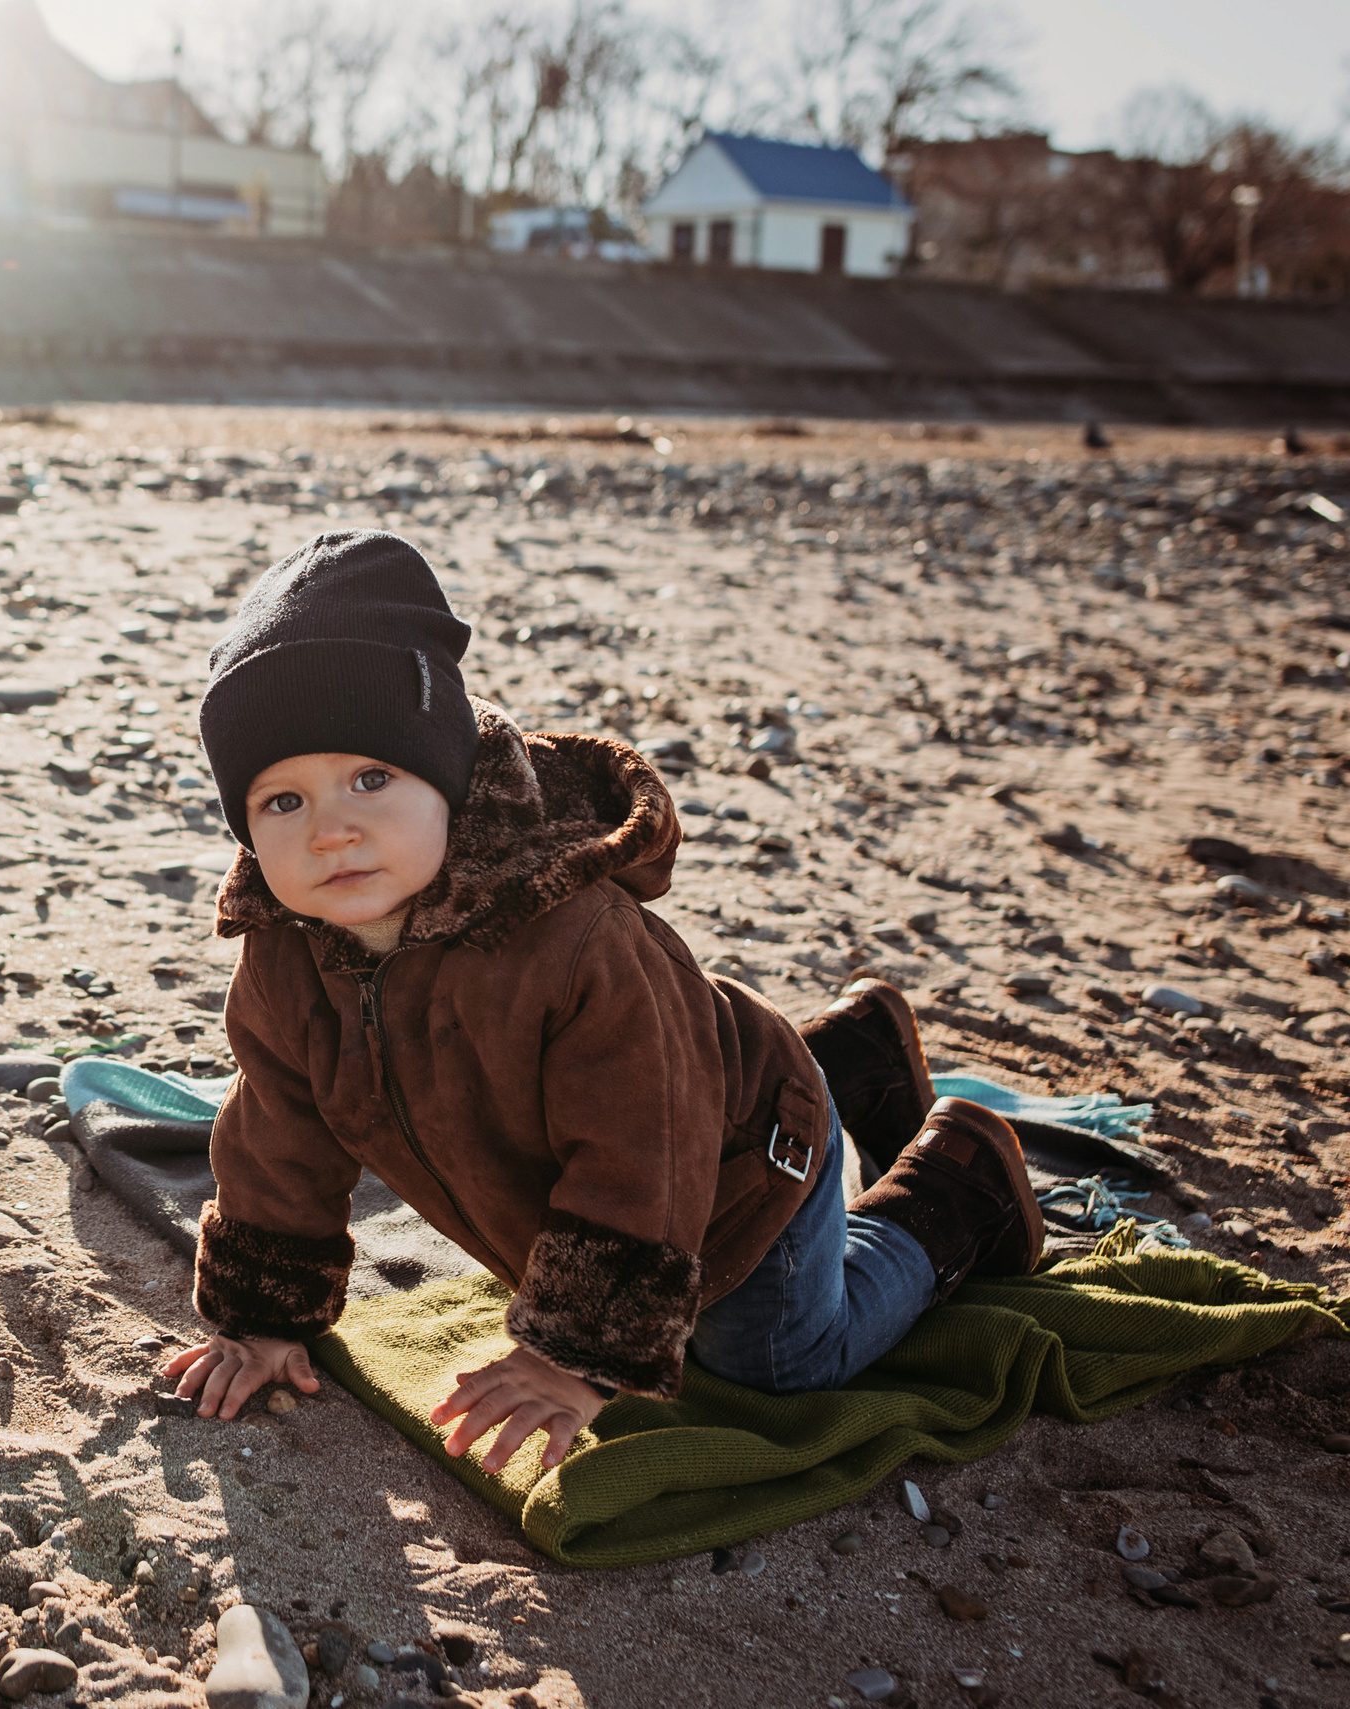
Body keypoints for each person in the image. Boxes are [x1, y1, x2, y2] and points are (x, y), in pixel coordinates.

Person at [160, 530, 1046, 1475]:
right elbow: (278, 1132)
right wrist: (264, 1315)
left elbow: (646, 1139)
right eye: (281, 801)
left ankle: (957, 1181)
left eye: (371, 778)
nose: (331, 829)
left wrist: (575, 1354)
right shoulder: (288, 954)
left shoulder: (570, 933)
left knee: (775, 1359)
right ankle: (856, 1055)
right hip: (670, 1090)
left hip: (729, 1167)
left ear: (450, 778)